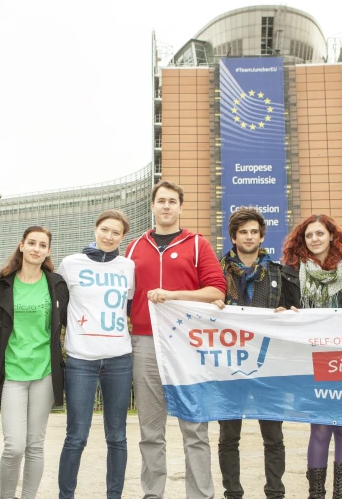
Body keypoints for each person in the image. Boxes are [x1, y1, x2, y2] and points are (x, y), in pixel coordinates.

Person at [126, 180, 226, 499]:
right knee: (150, 430)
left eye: (172, 201)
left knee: (195, 428)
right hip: (145, 343)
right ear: (152, 206)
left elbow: (216, 291)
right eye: (161, 201)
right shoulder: (133, 248)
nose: (166, 206)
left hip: (187, 345)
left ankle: (200, 495)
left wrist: (173, 296)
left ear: (181, 207)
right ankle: (152, 493)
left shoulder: (197, 244)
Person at [279, 214, 342, 499]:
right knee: (320, 427)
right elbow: (281, 308)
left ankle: (341, 494)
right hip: (310, 359)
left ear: (331, 237)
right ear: (302, 241)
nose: (314, 239)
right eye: (309, 235)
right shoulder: (290, 272)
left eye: (320, 234)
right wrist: (284, 312)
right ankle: (316, 493)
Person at [0, 225, 68, 499]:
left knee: (35, 444)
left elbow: (67, 323)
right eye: (31, 243)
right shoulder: (2, 285)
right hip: (12, 375)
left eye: (42, 245)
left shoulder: (56, 284)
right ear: (21, 246)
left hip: (44, 373)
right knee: (14, 446)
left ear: (48, 251)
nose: (36, 249)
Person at [57, 210, 135, 499]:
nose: (109, 236)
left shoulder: (128, 266)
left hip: (118, 359)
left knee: (117, 436)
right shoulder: (70, 264)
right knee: (76, 436)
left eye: (116, 232)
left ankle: (114, 495)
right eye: (105, 229)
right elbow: (58, 305)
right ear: (95, 229)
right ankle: (66, 495)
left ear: (122, 237)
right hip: (81, 360)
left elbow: (128, 308)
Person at [212, 208, 286, 499]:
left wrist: (286, 313)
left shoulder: (278, 272)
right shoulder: (216, 273)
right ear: (233, 236)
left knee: (273, 437)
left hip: (269, 364)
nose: (249, 236)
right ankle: (233, 493)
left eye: (254, 231)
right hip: (229, 365)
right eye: (243, 231)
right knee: (229, 437)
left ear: (262, 235)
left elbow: (295, 313)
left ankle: (275, 492)